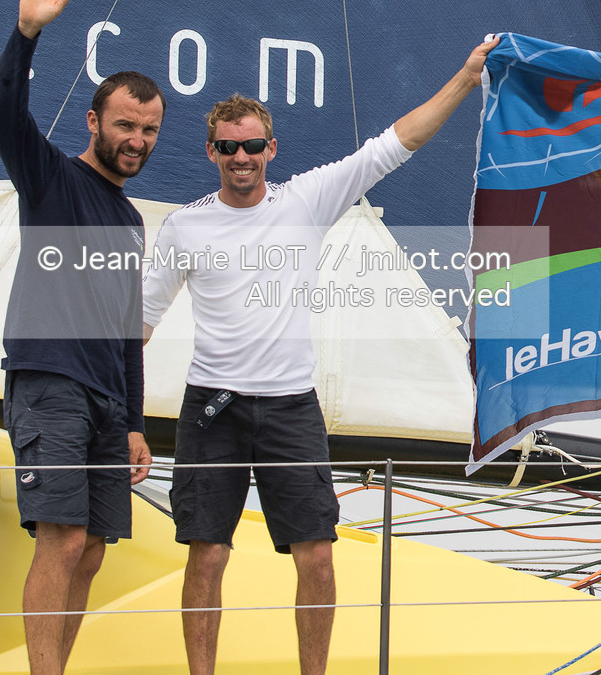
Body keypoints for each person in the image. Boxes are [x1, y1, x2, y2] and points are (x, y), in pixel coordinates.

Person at [142, 37, 495, 675]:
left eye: (253, 146)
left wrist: (467, 76)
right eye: (228, 147)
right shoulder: (184, 227)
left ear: (271, 149)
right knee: (208, 555)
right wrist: (118, 419)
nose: (242, 157)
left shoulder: (306, 199)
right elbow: (134, 328)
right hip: (210, 410)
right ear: (211, 152)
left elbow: (397, 143)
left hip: (288, 407)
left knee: (317, 557)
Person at [0, 0, 164, 675]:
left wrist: (133, 422)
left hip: (102, 401)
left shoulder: (129, 222)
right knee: (61, 539)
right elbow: (5, 110)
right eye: (126, 125)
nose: (137, 140)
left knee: (91, 549)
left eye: (149, 130)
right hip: (48, 382)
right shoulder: (51, 179)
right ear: (95, 121)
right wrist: (26, 33)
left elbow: (129, 331)